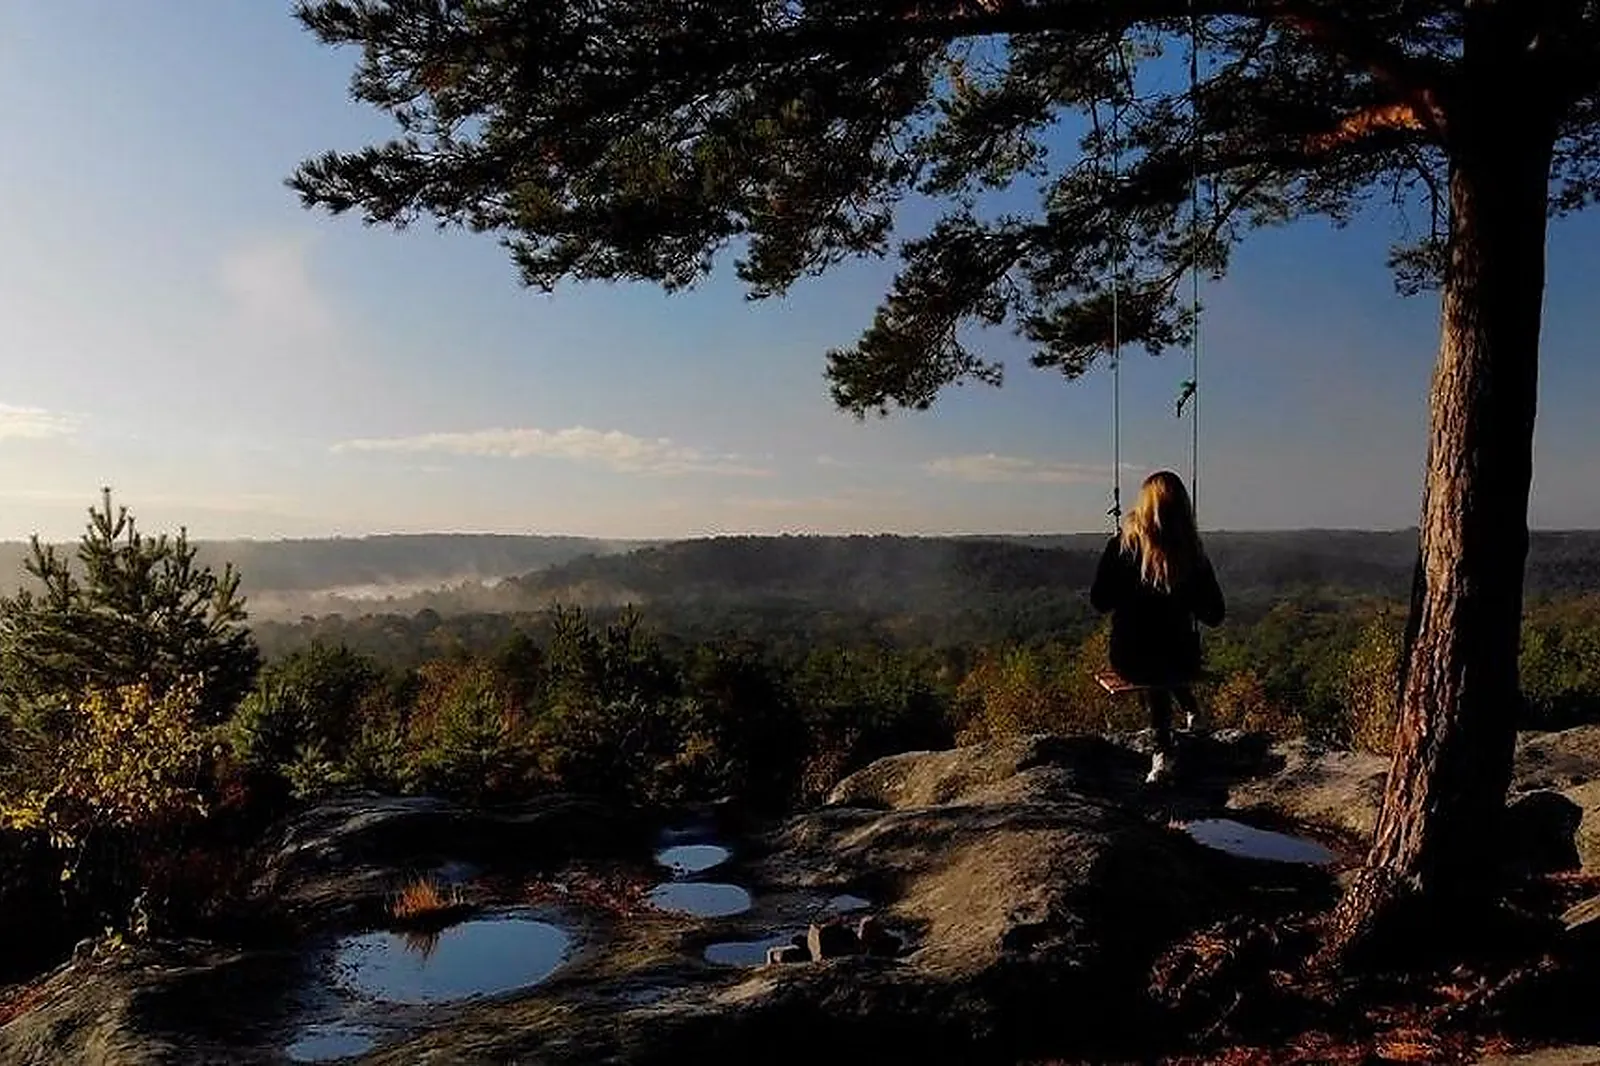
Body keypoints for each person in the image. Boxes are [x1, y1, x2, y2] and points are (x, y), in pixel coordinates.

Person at [1090, 470, 1225, 785]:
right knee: (1166, 662)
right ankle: (1180, 726)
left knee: (1153, 661)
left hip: (1129, 658)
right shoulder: (1192, 555)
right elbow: (1215, 615)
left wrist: (1120, 573)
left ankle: (1163, 750)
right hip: (1180, 659)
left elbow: (1099, 601)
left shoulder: (1123, 547)